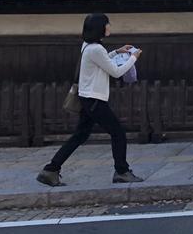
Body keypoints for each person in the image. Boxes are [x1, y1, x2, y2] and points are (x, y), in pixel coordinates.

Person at [36, 14, 143, 187]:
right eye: (107, 24)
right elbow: (116, 72)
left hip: (87, 98)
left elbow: (101, 60)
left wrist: (117, 51)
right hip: (94, 99)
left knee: (80, 135)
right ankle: (122, 172)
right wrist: (133, 58)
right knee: (118, 133)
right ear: (100, 27)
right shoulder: (96, 49)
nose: (109, 26)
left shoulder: (89, 46)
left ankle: (50, 169)